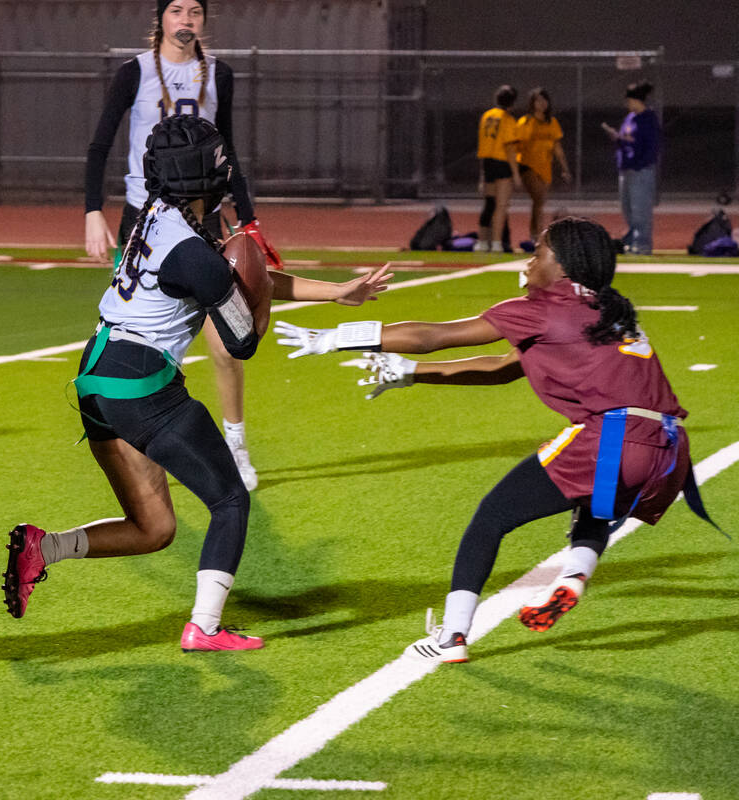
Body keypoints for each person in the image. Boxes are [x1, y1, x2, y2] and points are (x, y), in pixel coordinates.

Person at [8, 115, 391, 651]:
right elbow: (242, 338)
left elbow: (235, 275)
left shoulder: (156, 215)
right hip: (140, 383)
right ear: (200, 173)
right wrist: (256, 303)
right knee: (230, 499)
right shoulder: (192, 248)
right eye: (216, 160)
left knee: (154, 527)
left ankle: (41, 549)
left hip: (96, 372)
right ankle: (204, 627)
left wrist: (336, 292)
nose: (226, 168)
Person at [275, 217, 715, 663]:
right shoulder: (610, 309)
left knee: (492, 517)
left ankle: (451, 638)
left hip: (615, 437)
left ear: (562, 266)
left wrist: (337, 339)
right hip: (669, 449)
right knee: (596, 501)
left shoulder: (539, 308)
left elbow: (434, 335)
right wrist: (411, 373)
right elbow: (502, 369)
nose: (528, 259)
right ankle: (572, 578)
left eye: (539, 251)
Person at [84, 0, 279, 491]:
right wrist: (92, 210)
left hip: (204, 214)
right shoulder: (135, 71)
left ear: (204, 21)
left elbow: (227, 150)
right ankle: (141, 440)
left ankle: (234, 442)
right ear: (162, 19)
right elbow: (100, 144)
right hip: (143, 215)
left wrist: (249, 221)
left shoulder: (219, 74)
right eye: (176, 10)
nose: (186, 19)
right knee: (139, 328)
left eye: (195, 11)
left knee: (224, 343)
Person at [602, 80, 661, 255]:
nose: (627, 104)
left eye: (629, 100)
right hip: (626, 169)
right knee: (628, 208)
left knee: (640, 209)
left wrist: (639, 163)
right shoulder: (630, 118)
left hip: (640, 171)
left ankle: (642, 245)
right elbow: (628, 140)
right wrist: (618, 139)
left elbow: (652, 146)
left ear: (636, 100)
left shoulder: (649, 119)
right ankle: (632, 239)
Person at [515, 87, 572, 245]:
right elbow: (515, 146)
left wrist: (564, 168)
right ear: (532, 103)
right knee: (539, 198)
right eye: (538, 100)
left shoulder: (552, 123)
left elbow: (557, 148)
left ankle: (535, 234)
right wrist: (513, 171)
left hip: (545, 167)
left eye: (544, 100)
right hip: (528, 166)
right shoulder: (525, 122)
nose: (541, 103)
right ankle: (538, 234)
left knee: (539, 202)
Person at [474, 85, 523, 253]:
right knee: (501, 206)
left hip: (487, 162)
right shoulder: (508, 120)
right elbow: (509, 148)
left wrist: (482, 175)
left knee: (489, 203)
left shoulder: (487, 116)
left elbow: (483, 145)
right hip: (502, 163)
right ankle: (496, 242)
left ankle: (482, 242)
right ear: (512, 102)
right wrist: (516, 174)